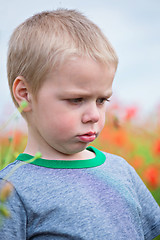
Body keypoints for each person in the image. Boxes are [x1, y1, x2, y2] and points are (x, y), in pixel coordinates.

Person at [0, 9, 160, 240]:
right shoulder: (11, 190)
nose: (94, 115)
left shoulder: (121, 170)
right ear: (25, 94)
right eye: (77, 100)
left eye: (102, 100)